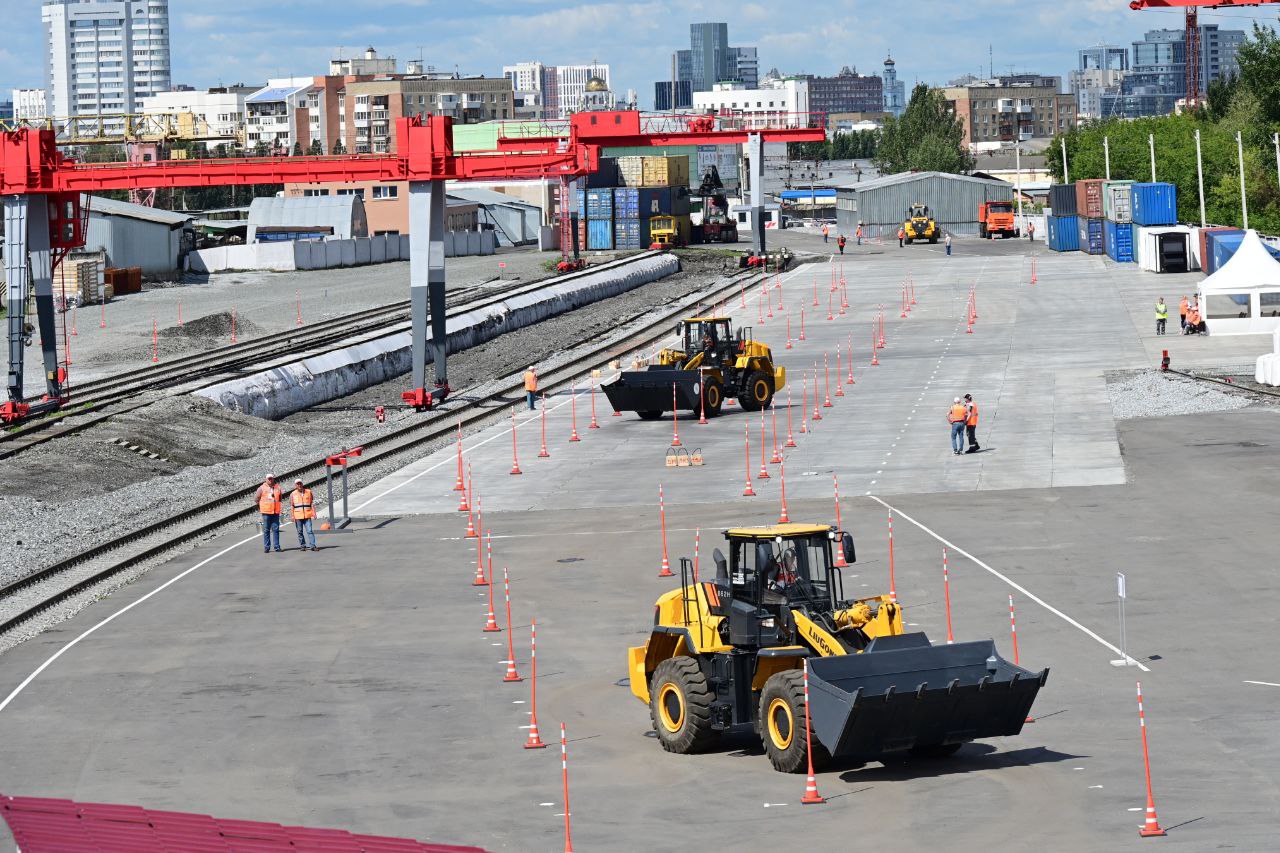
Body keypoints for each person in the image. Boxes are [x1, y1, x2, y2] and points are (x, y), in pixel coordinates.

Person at [255, 475, 283, 554]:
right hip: (266, 512)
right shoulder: (261, 488)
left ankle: (277, 547)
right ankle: (267, 547)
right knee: (266, 530)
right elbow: (256, 498)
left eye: (271, 478)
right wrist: (262, 506)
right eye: (269, 479)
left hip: (275, 512)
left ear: (273, 479)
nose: (270, 480)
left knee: (276, 530)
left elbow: (280, 498)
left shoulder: (278, 487)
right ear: (266, 479)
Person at [290, 478, 317, 551]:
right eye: (297, 484)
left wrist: (314, 512)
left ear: (302, 484)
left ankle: (313, 545)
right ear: (295, 485)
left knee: (310, 531)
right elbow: (292, 505)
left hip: (307, 515)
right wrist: (292, 515)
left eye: (300, 483)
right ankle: (303, 545)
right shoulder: (293, 494)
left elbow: (311, 503)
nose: (299, 485)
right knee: (300, 532)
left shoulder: (308, 492)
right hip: (298, 516)